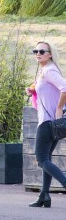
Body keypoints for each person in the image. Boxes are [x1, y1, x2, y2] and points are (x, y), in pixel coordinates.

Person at [26, 41, 66, 208]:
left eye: (42, 51)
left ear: (50, 53)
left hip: (48, 122)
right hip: (52, 122)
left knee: (41, 159)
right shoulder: (45, 71)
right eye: (36, 51)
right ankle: (44, 195)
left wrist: (58, 108)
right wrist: (33, 88)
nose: (38, 53)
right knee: (46, 158)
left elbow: (65, 87)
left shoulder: (49, 71)